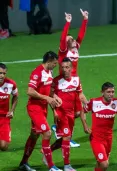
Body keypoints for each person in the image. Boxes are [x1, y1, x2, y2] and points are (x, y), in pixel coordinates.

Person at [19, 51, 63, 171]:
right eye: (54, 63)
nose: (56, 65)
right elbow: (30, 91)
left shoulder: (49, 72)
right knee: (47, 133)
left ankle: (23, 163)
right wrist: (47, 98)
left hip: (43, 108)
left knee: (34, 135)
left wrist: (54, 98)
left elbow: (47, 91)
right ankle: (51, 166)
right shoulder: (37, 73)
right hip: (34, 108)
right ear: (49, 61)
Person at [51, 9, 89, 148]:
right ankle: (61, 130)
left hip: (74, 80)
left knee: (78, 111)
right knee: (71, 109)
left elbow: (81, 35)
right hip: (63, 81)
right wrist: (68, 23)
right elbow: (62, 38)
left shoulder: (75, 48)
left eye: (72, 38)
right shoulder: (63, 51)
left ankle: (60, 129)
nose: (73, 40)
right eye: (70, 39)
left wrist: (85, 19)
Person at [46, 57, 85, 171]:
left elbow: (80, 94)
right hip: (61, 113)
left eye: (67, 67)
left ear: (71, 68)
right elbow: (50, 96)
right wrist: (54, 112)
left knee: (65, 139)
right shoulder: (56, 81)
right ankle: (67, 165)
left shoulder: (76, 79)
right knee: (67, 137)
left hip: (71, 113)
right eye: (62, 67)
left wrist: (87, 103)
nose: (64, 70)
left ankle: (46, 151)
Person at [81, 82, 117, 171]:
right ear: (102, 92)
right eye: (108, 92)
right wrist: (85, 125)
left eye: (113, 92)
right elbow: (82, 111)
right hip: (96, 139)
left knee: (100, 164)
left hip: (108, 138)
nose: (111, 94)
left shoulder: (116, 102)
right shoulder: (94, 102)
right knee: (104, 164)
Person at [0, 63, 18, 151]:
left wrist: (12, 110)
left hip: (4, 118)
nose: (2, 75)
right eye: (0, 73)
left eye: (4, 73)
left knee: (4, 147)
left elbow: (15, 96)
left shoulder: (11, 84)